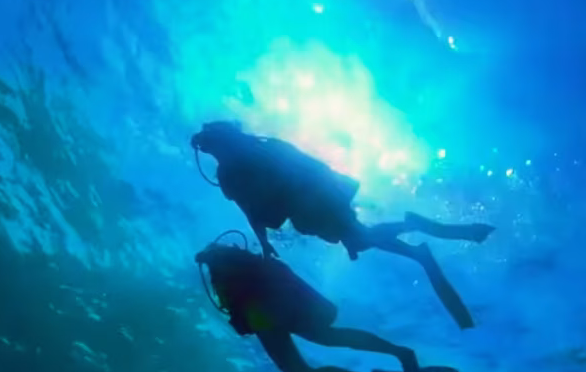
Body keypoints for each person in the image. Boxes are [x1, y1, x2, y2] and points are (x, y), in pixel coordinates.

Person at [191, 121, 495, 330]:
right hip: (314, 203)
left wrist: (269, 235)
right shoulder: (248, 157)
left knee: (360, 237)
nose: (209, 151)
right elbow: (254, 208)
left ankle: (415, 238)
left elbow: (257, 205)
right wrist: (266, 241)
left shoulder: (241, 163)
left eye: (209, 146)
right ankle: (416, 243)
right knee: (359, 237)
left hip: (313, 205)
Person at [195, 239, 459, 372]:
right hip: (279, 306)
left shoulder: (227, 269)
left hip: (265, 313)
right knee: (330, 340)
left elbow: (236, 310)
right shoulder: (239, 266)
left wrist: (210, 258)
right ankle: (399, 356)